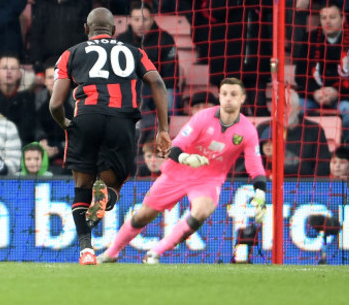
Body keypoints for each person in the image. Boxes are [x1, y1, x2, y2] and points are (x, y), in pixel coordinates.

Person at [97, 78, 268, 264]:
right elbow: (177, 145)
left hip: (208, 179)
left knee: (202, 211)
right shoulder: (203, 118)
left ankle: (155, 252)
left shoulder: (248, 131)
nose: (228, 99)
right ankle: (111, 253)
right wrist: (186, 158)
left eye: (233, 94)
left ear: (242, 98)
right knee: (143, 215)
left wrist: (260, 192)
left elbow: (255, 165)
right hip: (178, 173)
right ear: (219, 96)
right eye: (224, 94)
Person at [49, 7, 172, 265]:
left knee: (82, 187)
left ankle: (86, 250)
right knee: (115, 180)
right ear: (114, 31)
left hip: (86, 118)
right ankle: (109, 195)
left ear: (86, 29)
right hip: (122, 119)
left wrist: (66, 124)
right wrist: (163, 129)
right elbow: (158, 84)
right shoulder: (135, 52)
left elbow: (55, 105)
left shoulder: (70, 53)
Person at [294, 2, 349, 152]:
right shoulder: (310, 39)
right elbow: (300, 74)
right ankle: (302, 152)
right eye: (323, 17)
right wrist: (315, 92)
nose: (327, 22)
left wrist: (338, 93)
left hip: (344, 98)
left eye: (332, 17)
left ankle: (347, 154)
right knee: (294, 107)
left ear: (343, 18)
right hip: (314, 96)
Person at [116, 1, 179, 115]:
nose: (141, 24)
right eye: (136, 20)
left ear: (152, 19)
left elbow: (171, 74)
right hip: (128, 88)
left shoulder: (165, 39)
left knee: (169, 104)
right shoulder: (122, 40)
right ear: (130, 20)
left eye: (145, 19)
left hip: (158, 86)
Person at [27, 0, 90, 75]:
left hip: (74, 61)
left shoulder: (82, 5)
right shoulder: (43, 6)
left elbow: (86, 35)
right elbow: (36, 36)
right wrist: (37, 63)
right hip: (48, 61)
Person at [256, 87, 331, 178]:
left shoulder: (315, 130)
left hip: (303, 185)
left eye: (287, 106)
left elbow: (323, 166)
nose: (282, 111)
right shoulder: (262, 128)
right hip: (269, 184)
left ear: (299, 108)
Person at [0, 54, 36, 145]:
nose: (9, 72)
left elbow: (28, 130)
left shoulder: (28, 97)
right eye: (5, 68)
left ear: (19, 74)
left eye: (13, 68)